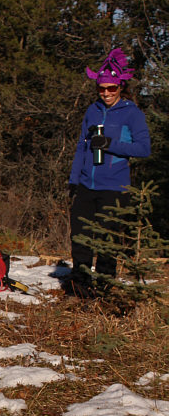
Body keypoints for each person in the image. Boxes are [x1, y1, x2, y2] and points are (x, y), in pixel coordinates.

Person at [66, 47, 151, 297]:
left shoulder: (132, 114)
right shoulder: (92, 111)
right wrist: (74, 180)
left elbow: (144, 148)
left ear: (120, 87)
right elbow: (81, 148)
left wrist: (112, 145)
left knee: (106, 242)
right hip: (86, 185)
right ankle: (79, 289)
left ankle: (103, 290)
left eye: (111, 88)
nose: (106, 93)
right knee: (80, 238)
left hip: (114, 187)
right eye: (101, 88)